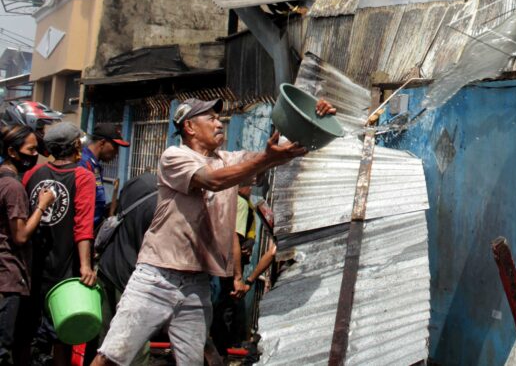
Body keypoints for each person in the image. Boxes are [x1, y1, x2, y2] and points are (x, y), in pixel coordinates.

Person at [92, 96, 334, 366]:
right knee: (112, 357)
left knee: (194, 362)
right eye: (212, 118)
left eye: (219, 118)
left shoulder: (228, 159)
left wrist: (311, 120)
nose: (220, 123)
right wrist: (265, 158)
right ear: (190, 128)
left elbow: (281, 154)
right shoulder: (175, 156)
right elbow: (212, 181)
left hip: (197, 283)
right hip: (157, 277)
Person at [23, 122, 97, 366]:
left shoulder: (33, 175)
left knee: (28, 328)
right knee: (64, 332)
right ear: (75, 146)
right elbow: (83, 224)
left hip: (32, 264)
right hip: (65, 269)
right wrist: (86, 266)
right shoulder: (83, 177)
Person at [0, 124, 55, 365]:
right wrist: (43, 204)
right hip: (8, 275)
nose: (35, 155)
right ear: (12, 152)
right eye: (31, 150)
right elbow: (20, 236)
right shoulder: (13, 187)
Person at [94, 172, 157, 366]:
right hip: (134, 280)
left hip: (108, 268)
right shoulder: (168, 205)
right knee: (133, 346)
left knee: (105, 343)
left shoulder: (140, 183)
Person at [79, 123, 130, 230]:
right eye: (115, 147)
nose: (116, 153)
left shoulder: (95, 165)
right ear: (102, 143)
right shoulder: (83, 164)